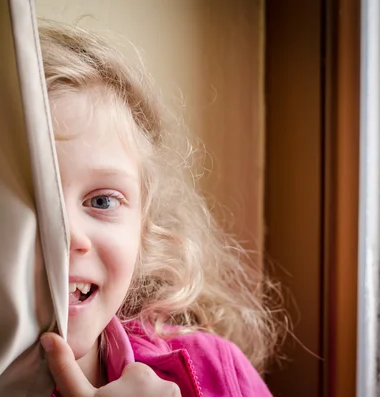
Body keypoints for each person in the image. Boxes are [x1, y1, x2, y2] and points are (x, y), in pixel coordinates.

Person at [37, 21, 282, 397]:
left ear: (143, 227)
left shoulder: (218, 372)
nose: (69, 235)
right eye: (32, 203)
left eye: (102, 201)